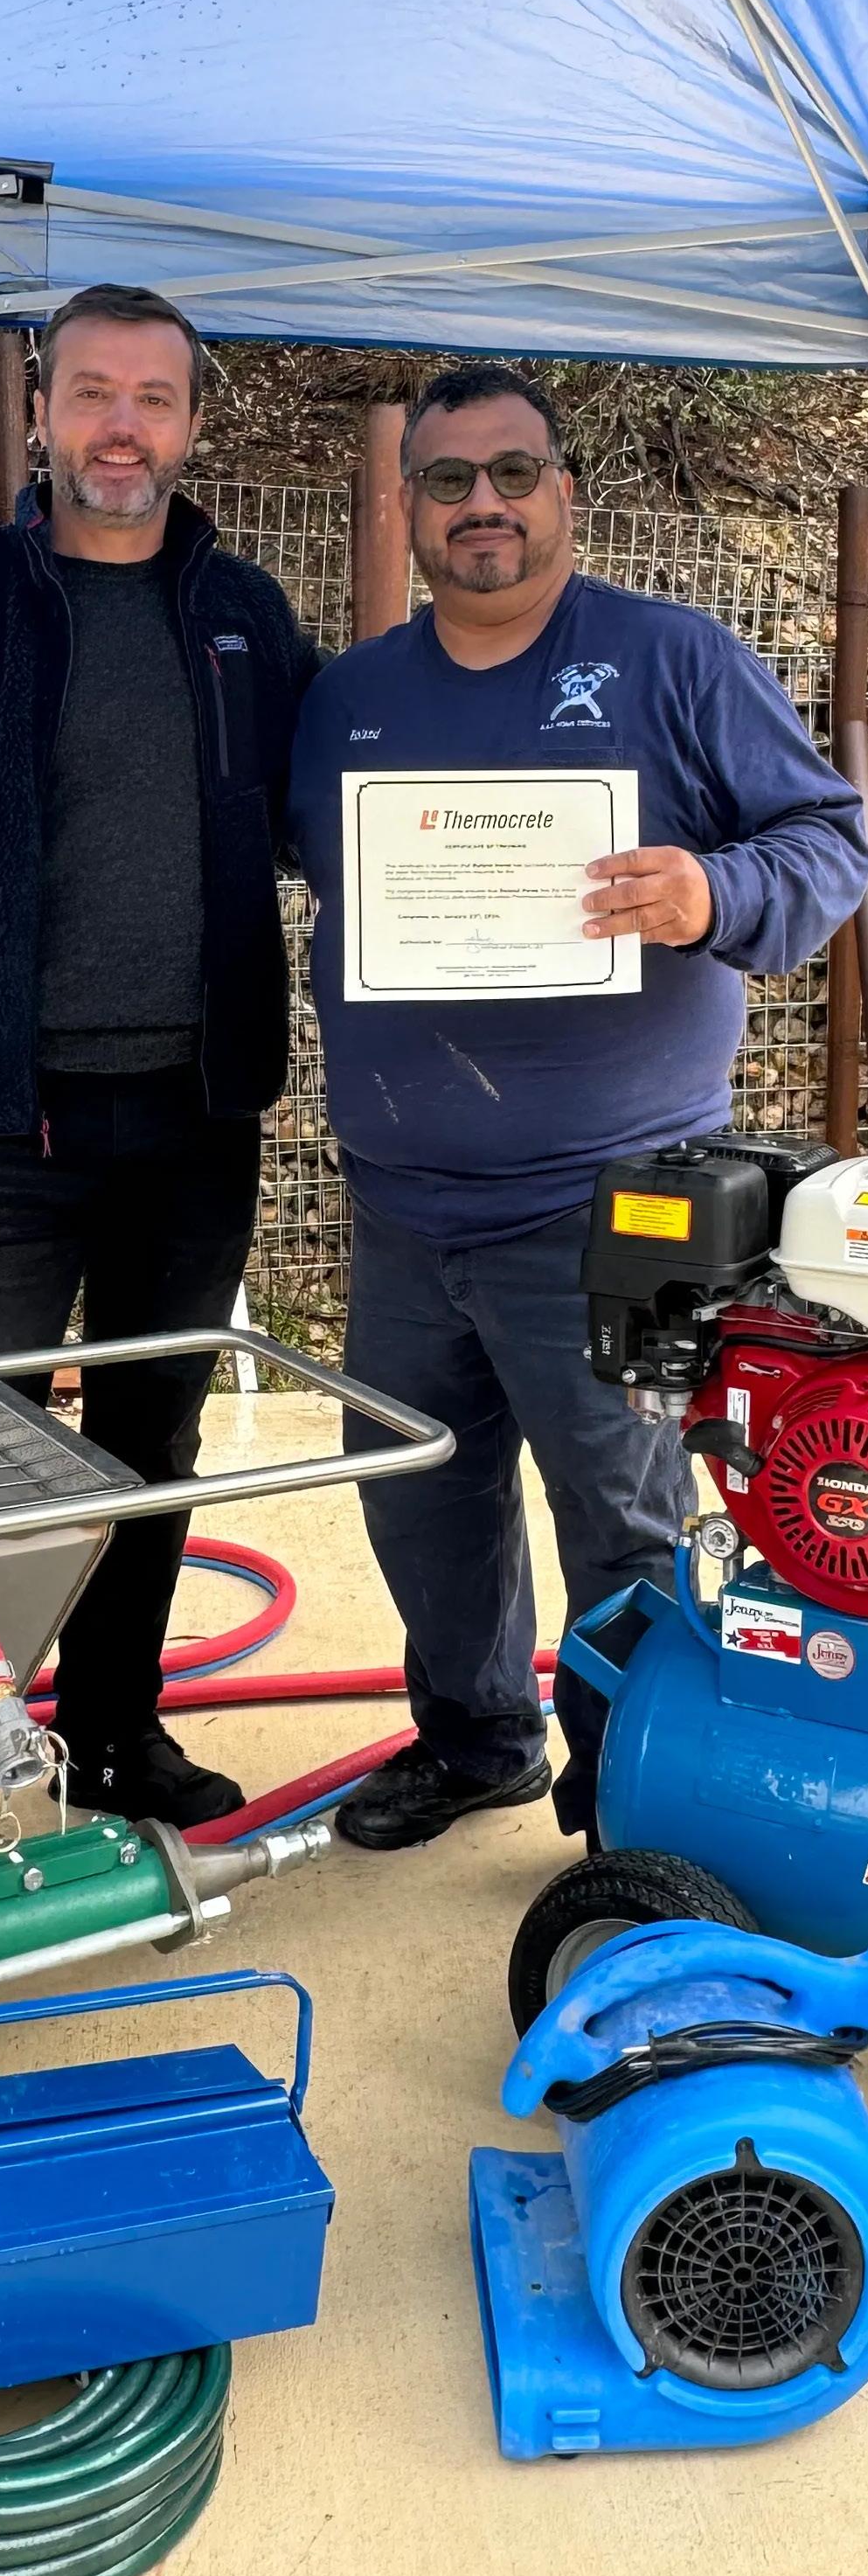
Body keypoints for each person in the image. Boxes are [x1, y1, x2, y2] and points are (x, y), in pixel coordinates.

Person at [288, 361, 868, 1851]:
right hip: (400, 1202)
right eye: (447, 479)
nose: (481, 503)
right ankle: (475, 1741)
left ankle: (629, 1801)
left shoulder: (673, 660)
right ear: (408, 506)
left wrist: (710, 892)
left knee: (622, 1525)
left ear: (563, 491)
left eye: (512, 472)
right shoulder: (349, 698)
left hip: (607, 1208)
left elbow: (830, 840)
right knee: (419, 1502)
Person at [0, 282, 318, 1828]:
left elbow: (334, 822)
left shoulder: (247, 617)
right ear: (41, 410)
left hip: (195, 1112)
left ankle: (113, 1733)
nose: (121, 425)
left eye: (152, 398)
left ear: (192, 423)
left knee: (152, 1439)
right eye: (91, 391)